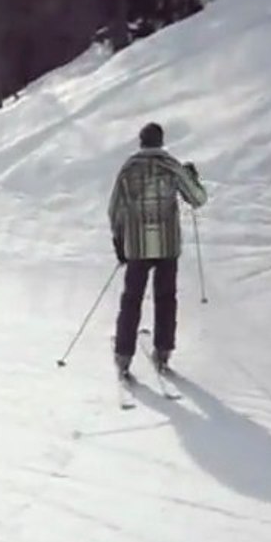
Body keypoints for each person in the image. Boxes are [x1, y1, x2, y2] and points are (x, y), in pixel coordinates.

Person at [108, 121, 208, 380]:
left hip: (137, 247)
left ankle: (123, 356)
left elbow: (115, 209)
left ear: (141, 142)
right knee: (166, 298)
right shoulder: (171, 166)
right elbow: (198, 199)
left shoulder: (128, 169)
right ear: (161, 142)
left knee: (131, 299)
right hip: (167, 246)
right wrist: (192, 178)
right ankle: (163, 352)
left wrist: (119, 241)